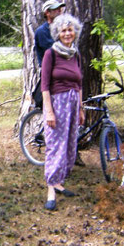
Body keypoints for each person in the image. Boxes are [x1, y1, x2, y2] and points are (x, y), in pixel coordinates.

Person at [41, 13, 85, 211]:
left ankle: (59, 181)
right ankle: (50, 187)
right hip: (57, 104)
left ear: (75, 32)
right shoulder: (51, 54)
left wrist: (81, 108)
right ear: (57, 33)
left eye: (70, 30)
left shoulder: (76, 54)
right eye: (63, 30)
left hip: (74, 103)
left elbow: (79, 83)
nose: (67, 33)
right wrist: (49, 111)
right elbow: (44, 85)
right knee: (55, 145)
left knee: (68, 144)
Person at [34, 0, 65, 66]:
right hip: (50, 70)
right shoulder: (42, 31)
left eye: (60, 8)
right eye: (55, 9)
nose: (59, 11)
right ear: (47, 12)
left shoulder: (65, 29)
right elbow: (52, 52)